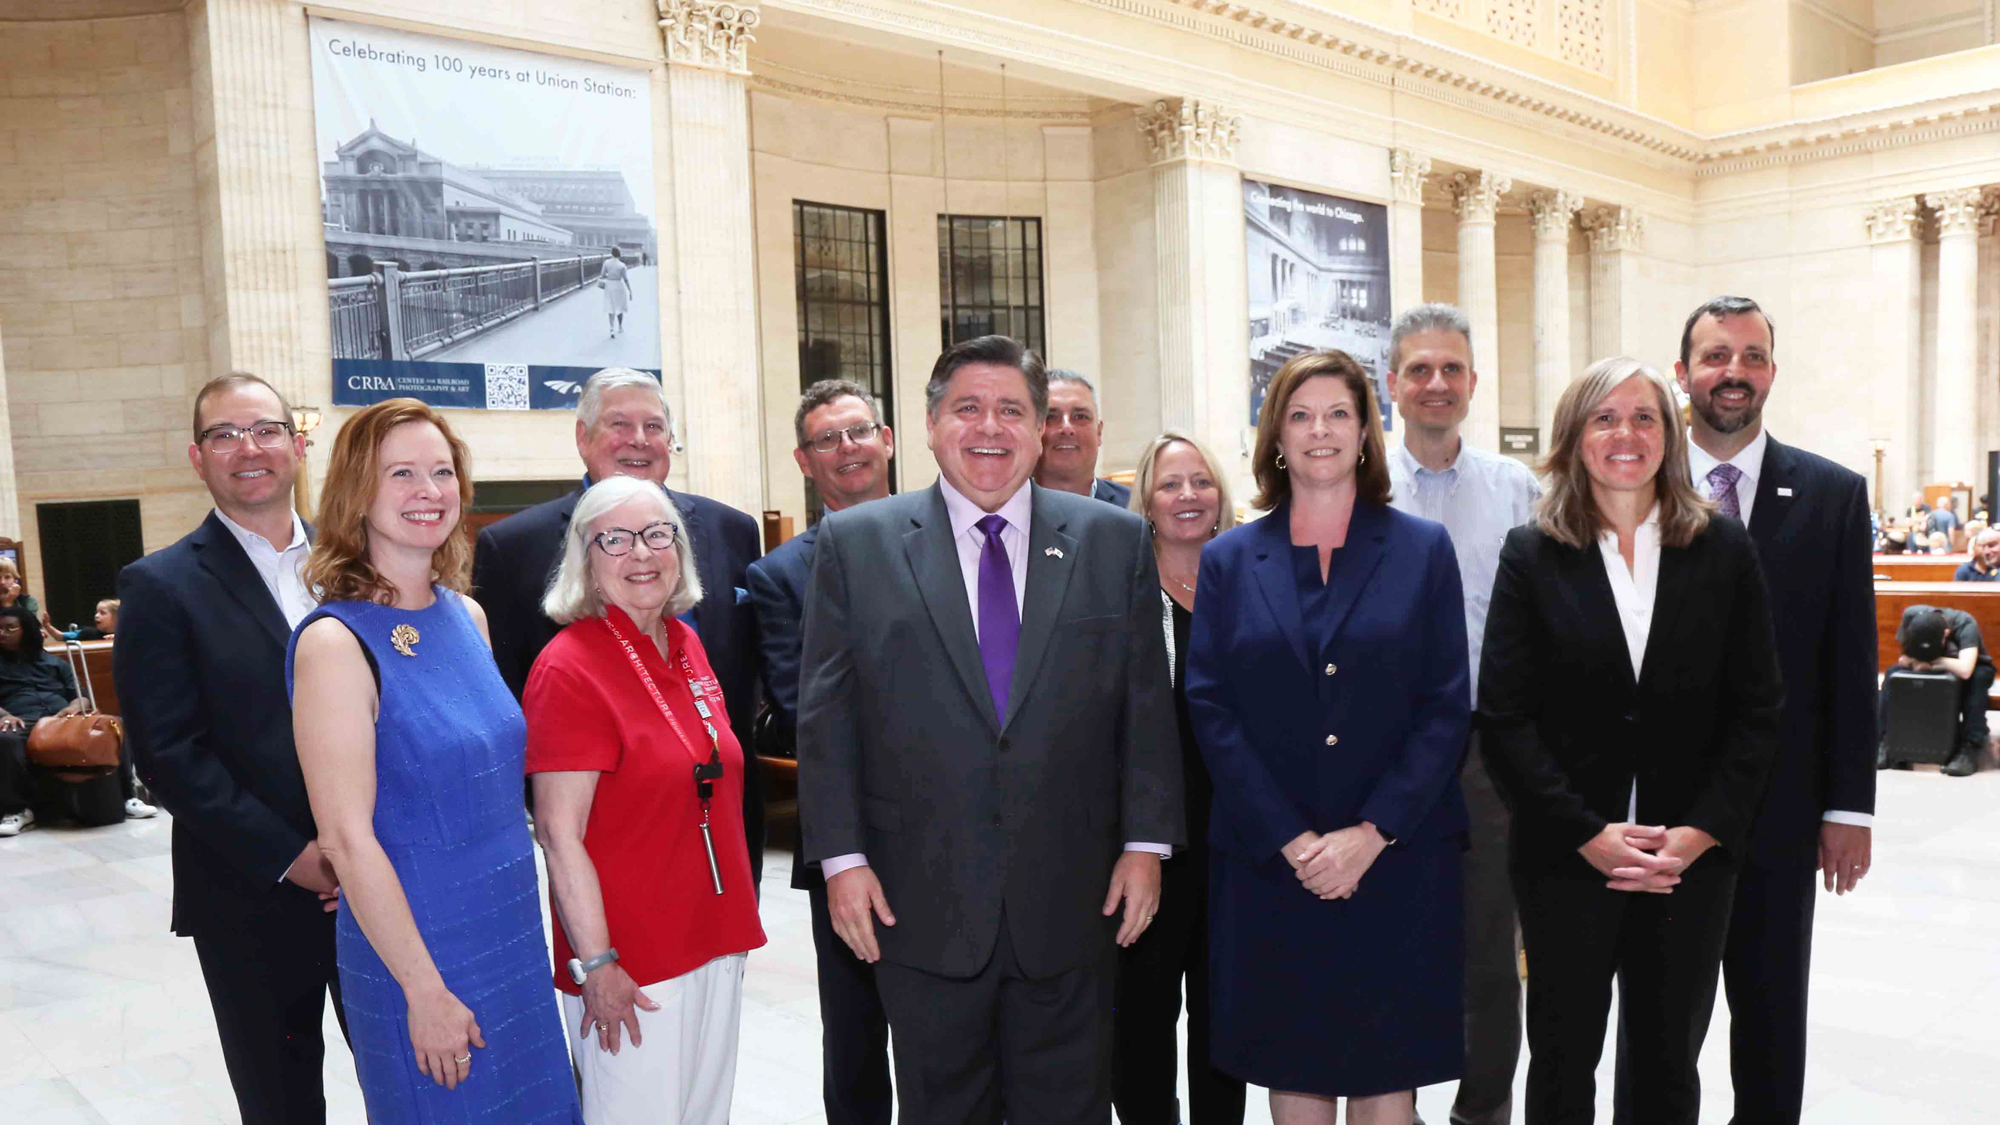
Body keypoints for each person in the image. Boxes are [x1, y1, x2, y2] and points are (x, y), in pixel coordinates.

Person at [797, 334, 1182, 1125]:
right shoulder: (858, 544)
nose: (989, 427)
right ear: (931, 425)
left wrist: (1147, 845)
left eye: (1012, 410)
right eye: (967, 407)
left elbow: (1145, 706)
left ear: (1041, 430)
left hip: (1076, 900)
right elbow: (827, 718)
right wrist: (842, 860)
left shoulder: (1113, 540)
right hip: (917, 900)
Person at [1481, 357, 1784, 1125]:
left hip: (1688, 863)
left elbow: (1758, 709)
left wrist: (1699, 832)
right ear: (1574, 436)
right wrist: (1587, 834)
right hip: (1567, 857)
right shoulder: (1531, 553)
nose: (1626, 433)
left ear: (1670, 435)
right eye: (1605, 417)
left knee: (1666, 1069)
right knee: (1561, 1063)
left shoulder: (1723, 549)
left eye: (1645, 416)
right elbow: (1506, 715)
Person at [1187, 348, 1469, 1125]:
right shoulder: (1229, 559)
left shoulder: (1423, 549)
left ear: (1366, 431)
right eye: (1301, 415)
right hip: (1273, 866)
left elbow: (1446, 705)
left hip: (1396, 862)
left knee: (1387, 1083)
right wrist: (1293, 840)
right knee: (1294, 1073)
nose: (1321, 430)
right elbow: (1210, 706)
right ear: (1276, 435)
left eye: (1339, 413)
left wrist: (1372, 833)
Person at [289, 398, 581, 1123]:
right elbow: (346, 839)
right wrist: (422, 991)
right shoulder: (334, 642)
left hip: (508, 932)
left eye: (443, 472)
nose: (430, 490)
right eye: (402, 473)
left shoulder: (467, 615)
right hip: (419, 950)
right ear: (357, 492)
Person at [1660, 295, 1878, 1125]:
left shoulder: (1832, 494)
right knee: (1660, 1027)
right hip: (1662, 810)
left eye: (1752, 356)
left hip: (1781, 809)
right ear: (1683, 372)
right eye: (1717, 355)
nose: (1735, 372)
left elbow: (1849, 663)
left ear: (1773, 373)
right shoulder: (1634, 481)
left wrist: (1849, 806)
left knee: (1772, 1017)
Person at [117, 372, 347, 1124]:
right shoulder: (160, 585)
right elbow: (167, 756)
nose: (249, 448)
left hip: (377, 877)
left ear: (297, 445)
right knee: (281, 1102)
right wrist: (293, 855)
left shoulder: (355, 564)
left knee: (412, 1075)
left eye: (266, 430)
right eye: (224, 435)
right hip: (251, 892)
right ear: (197, 457)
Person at [525, 476, 767, 1123]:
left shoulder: (685, 644)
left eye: (658, 535)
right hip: (632, 960)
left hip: (714, 934)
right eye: (615, 539)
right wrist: (597, 964)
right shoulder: (569, 667)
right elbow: (559, 835)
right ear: (585, 558)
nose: (641, 553)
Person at [473, 367, 766, 885]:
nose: (639, 440)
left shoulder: (732, 530)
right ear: (583, 438)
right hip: (601, 831)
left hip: (726, 815)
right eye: (619, 424)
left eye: (653, 426)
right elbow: (502, 694)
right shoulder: (514, 548)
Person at [1381, 303, 1540, 1125]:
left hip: (1485, 752)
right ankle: (1389, 1108)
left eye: (1451, 368)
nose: (1436, 383)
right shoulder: (1359, 482)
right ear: (1392, 383)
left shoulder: (1516, 489)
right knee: (1384, 941)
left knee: (1488, 953)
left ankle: (1482, 1111)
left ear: (1473, 382)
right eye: (1419, 369)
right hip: (1380, 750)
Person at [745, 379, 896, 1125]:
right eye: (827, 439)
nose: (848, 448)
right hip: (846, 834)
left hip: (967, 830)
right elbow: (804, 709)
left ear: (887, 440)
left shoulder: (964, 538)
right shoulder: (778, 577)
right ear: (805, 462)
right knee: (857, 1034)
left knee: (961, 1033)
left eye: (859, 431)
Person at [1113, 429, 1245, 1125]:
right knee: (1140, 1024)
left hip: (1236, 844)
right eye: (1170, 484)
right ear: (1146, 501)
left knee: (1226, 1025)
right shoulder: (1120, 591)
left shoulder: (1252, 584)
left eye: (1200, 481)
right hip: (1146, 846)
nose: (1187, 495)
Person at [0, 602, 88, 836]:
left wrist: (73, 707)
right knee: (6, 739)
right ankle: (18, 810)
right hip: (21, 719)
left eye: (10, 628)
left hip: (61, 718)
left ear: (27, 630)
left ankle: (127, 797)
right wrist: (4, 714)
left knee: (113, 724)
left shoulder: (55, 663)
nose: (2, 634)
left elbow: (81, 696)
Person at [1878, 605, 1989, 777]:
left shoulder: (1965, 624)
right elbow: (1904, 658)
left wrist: (1932, 662)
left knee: (1978, 679)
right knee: (1893, 674)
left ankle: (1970, 746)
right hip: (1926, 661)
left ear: (1946, 634)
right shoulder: (1911, 616)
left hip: (1968, 666)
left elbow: (1966, 670)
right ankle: (1884, 741)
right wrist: (1917, 663)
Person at [1029, 363, 1131, 505]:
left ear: (1099, 432)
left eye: (1080, 416)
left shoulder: (1135, 508)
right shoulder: (1002, 508)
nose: (1067, 428)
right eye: (1051, 417)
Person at [600, 247, 634, 338]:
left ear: (611, 253)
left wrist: (609, 275)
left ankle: (611, 328)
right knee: (620, 307)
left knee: (610, 307)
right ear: (619, 254)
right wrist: (630, 290)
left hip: (609, 286)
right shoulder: (622, 265)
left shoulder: (606, 263)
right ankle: (620, 326)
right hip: (619, 285)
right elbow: (626, 279)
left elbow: (602, 275)